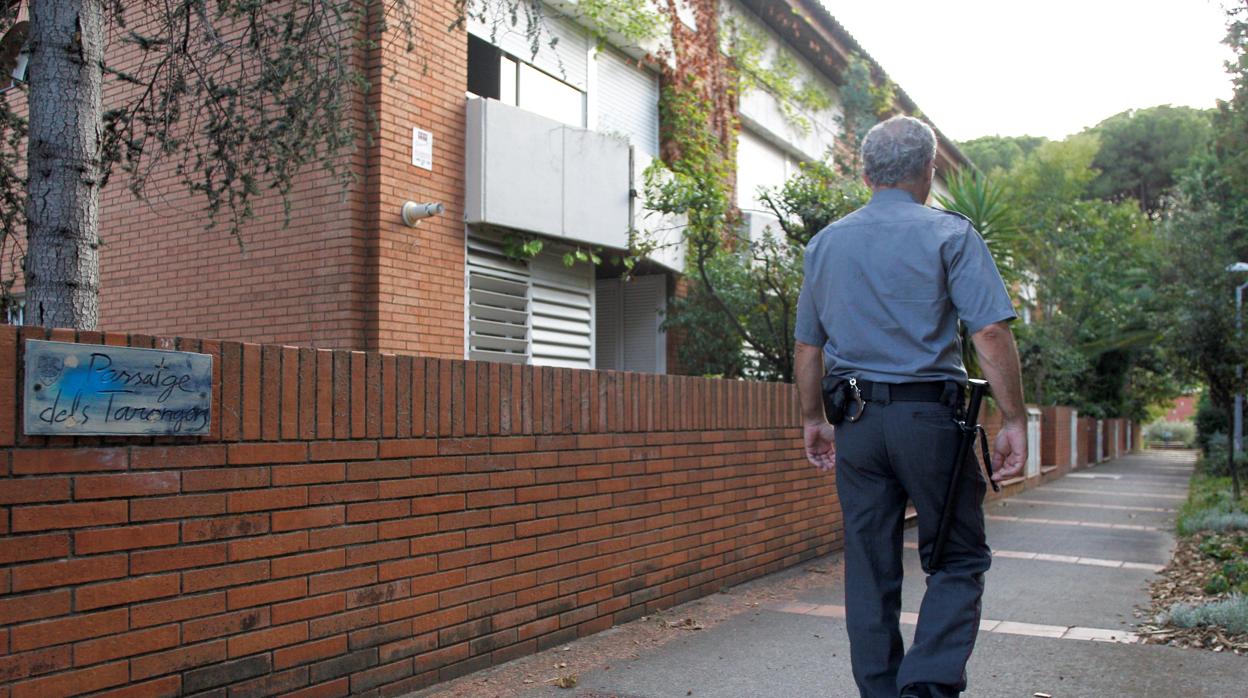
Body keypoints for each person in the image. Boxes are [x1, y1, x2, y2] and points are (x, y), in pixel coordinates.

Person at [793, 115, 1027, 698]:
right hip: (930, 421)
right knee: (956, 557)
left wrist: (812, 419)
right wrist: (1015, 420)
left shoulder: (827, 243)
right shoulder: (950, 234)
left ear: (866, 173)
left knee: (869, 567)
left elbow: (807, 347)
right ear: (928, 171)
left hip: (858, 425)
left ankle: (881, 691)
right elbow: (991, 333)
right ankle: (925, 686)